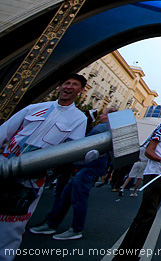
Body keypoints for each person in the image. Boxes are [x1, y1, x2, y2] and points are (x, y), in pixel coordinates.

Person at [0, 74, 88, 260]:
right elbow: (5, 131)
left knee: (12, 226)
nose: (69, 86)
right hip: (4, 166)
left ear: (80, 91)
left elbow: (72, 149)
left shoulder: (79, 118)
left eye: (74, 84)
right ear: (60, 86)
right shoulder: (36, 108)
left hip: (30, 180)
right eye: (66, 82)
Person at [112, 97, 161, 261]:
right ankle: (127, 254)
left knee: (150, 214)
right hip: (154, 174)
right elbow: (149, 151)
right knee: (146, 214)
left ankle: (133, 250)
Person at [29, 107, 118, 240]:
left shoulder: (100, 129)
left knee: (79, 197)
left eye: (103, 114)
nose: (100, 116)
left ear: (108, 116)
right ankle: (51, 224)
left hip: (91, 166)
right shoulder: (108, 129)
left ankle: (76, 229)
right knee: (66, 195)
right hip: (94, 165)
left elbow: (83, 146)